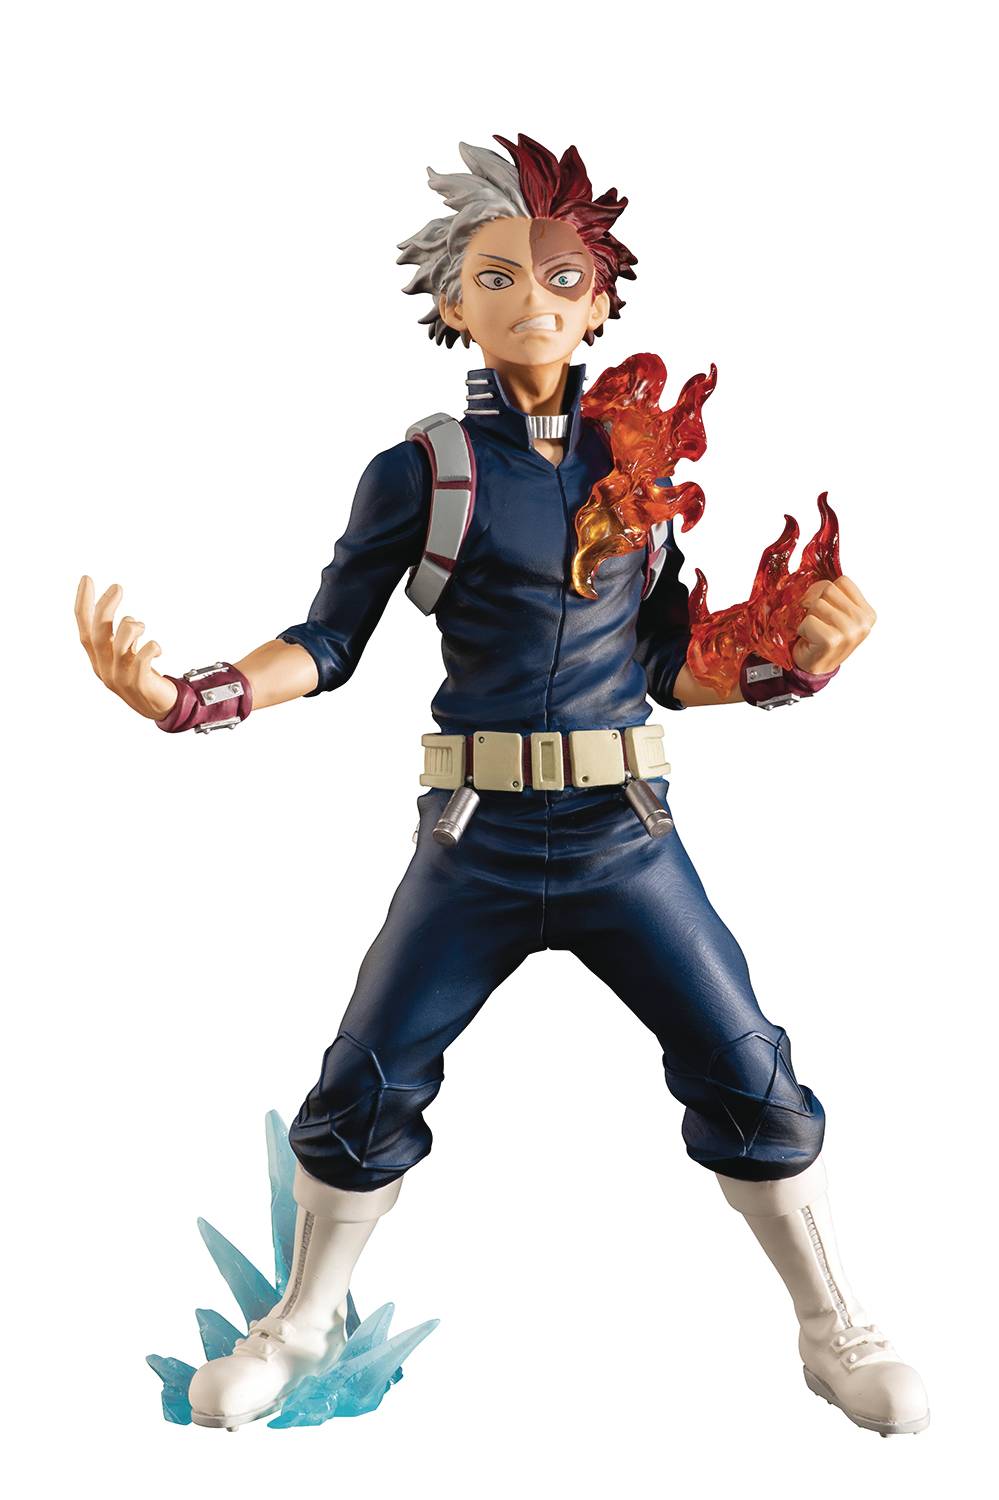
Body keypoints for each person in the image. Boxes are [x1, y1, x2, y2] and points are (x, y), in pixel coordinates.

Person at [75, 134, 927, 1436]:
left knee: (747, 1064)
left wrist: (790, 665)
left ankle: (831, 1320)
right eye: (497, 275)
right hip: (473, 837)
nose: (535, 296)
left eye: (563, 274)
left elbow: (664, 663)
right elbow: (330, 641)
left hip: (625, 834)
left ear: (602, 298)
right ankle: (306, 1319)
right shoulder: (425, 472)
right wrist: (193, 695)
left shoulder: (641, 463)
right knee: (367, 1076)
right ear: (450, 302)